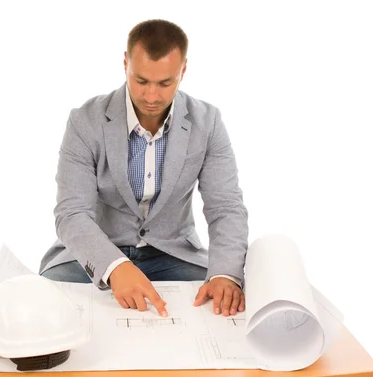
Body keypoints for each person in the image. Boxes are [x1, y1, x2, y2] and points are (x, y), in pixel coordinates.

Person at [39, 19, 248, 319]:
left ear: (183, 71)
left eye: (165, 83)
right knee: (46, 300)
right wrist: (115, 267)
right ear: (125, 63)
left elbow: (226, 207)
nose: (152, 96)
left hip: (173, 254)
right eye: (141, 81)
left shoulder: (208, 122)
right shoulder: (85, 121)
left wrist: (226, 275)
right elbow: (71, 214)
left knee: (227, 302)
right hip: (95, 253)